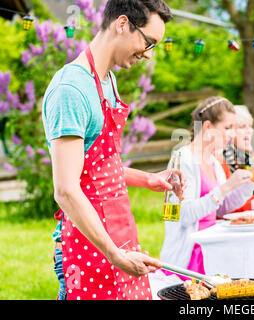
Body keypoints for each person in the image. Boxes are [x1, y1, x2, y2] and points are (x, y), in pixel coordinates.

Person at [43, 0, 184, 300]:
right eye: (148, 42)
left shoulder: (108, 80)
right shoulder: (71, 90)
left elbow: (99, 168)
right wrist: (114, 254)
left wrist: (148, 179)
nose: (147, 54)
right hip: (87, 248)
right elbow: (66, 190)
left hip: (118, 239)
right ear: (122, 24)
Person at [159, 97, 254, 279]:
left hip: (213, 248)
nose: (231, 134)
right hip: (190, 256)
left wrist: (248, 183)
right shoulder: (183, 160)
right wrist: (225, 188)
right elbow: (183, 215)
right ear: (207, 127)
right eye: (227, 128)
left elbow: (222, 208)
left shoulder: (213, 162)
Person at [221, 105, 254, 212]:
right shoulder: (222, 159)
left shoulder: (244, 156)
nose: (250, 131)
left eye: (250, 126)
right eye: (242, 127)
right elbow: (223, 205)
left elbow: (245, 197)